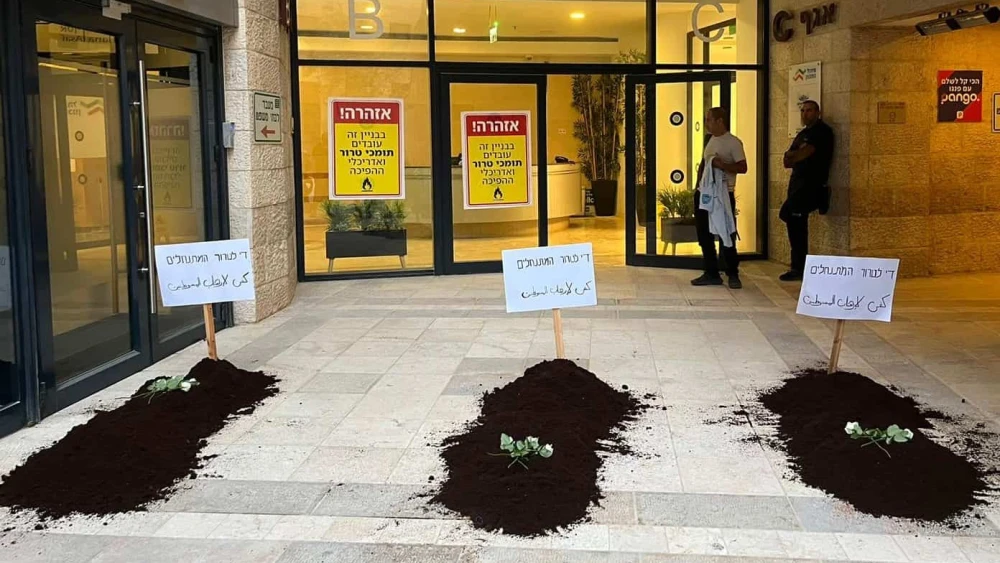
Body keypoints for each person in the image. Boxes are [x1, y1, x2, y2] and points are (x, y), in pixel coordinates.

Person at [691, 107, 747, 289]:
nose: (707, 123)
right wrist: (697, 187)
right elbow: (704, 164)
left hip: (723, 194)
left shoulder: (733, 143)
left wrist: (721, 165)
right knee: (704, 234)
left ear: (720, 121)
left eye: (709, 120)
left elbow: (743, 167)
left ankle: (733, 273)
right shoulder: (710, 140)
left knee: (727, 232)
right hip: (705, 193)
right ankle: (711, 272)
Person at [779, 100, 834, 281]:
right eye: (802, 111)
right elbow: (787, 160)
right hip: (797, 185)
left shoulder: (822, 132)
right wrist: (793, 155)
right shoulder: (802, 134)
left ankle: (799, 267)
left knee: (794, 221)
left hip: (811, 186)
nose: (805, 114)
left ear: (817, 112)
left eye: (809, 110)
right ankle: (798, 266)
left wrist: (795, 155)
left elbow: (806, 152)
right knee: (789, 216)